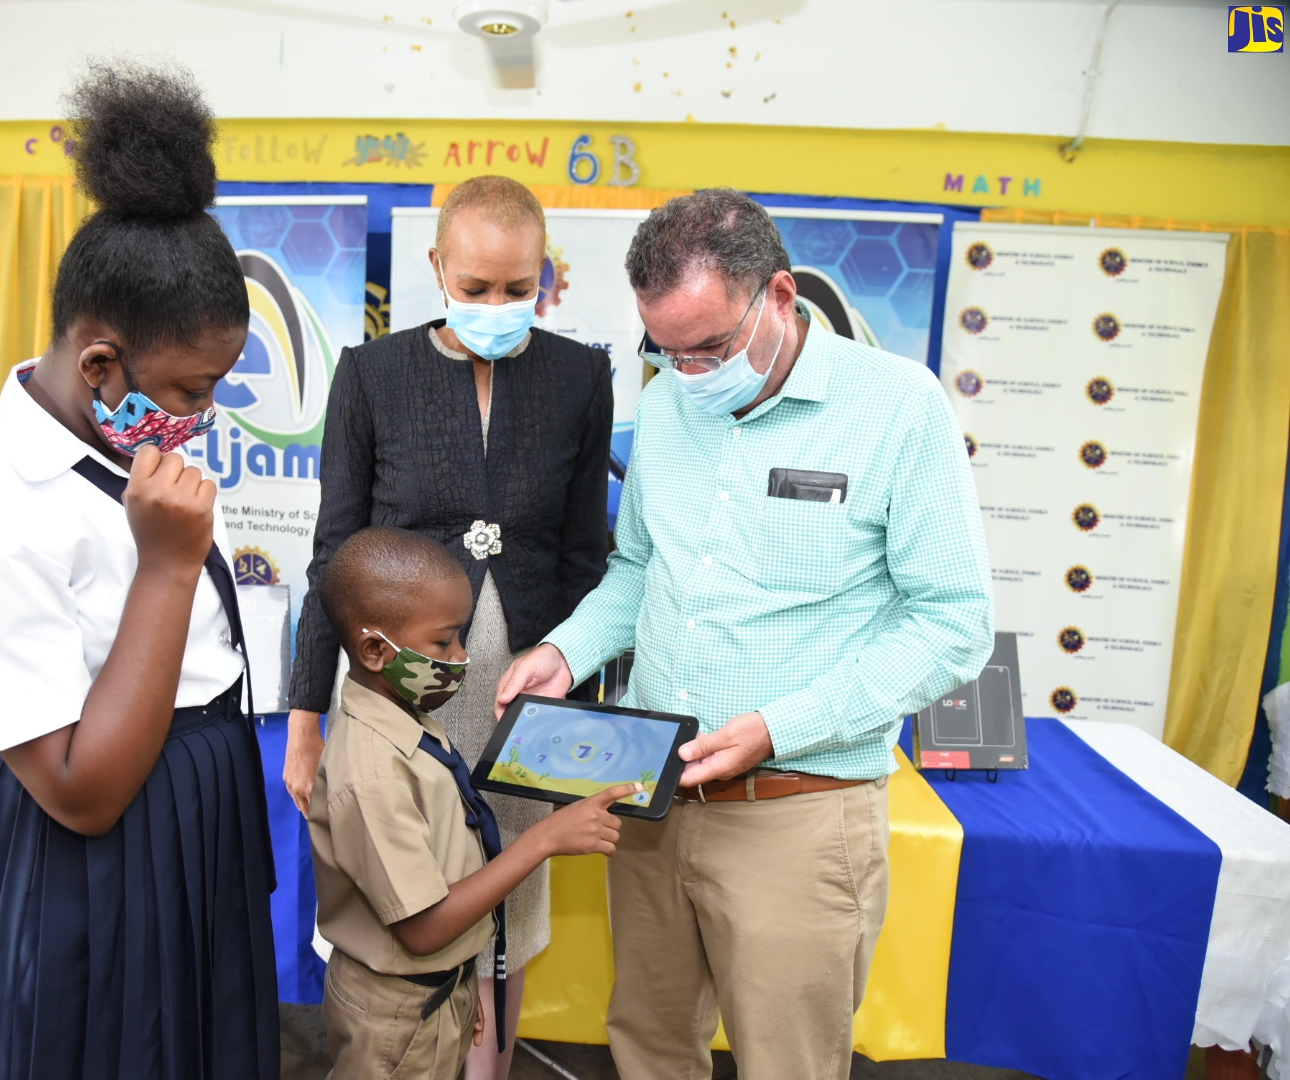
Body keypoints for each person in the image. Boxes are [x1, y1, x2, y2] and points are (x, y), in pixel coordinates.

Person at [496, 189, 994, 1080]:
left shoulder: (896, 409)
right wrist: (566, 650)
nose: (688, 374)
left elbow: (952, 624)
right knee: (647, 1044)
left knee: (788, 1064)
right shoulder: (672, 407)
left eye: (711, 348)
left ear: (779, 295)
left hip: (797, 814)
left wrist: (779, 726)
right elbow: (640, 570)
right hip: (650, 804)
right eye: (666, 351)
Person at [0, 62, 280, 1080]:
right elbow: (79, 791)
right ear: (101, 365)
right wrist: (166, 571)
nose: (202, 414)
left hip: (190, 812)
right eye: (193, 388)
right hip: (85, 858)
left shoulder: (124, 450)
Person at [283, 175, 614, 1075]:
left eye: (519, 288)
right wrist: (306, 718)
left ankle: (491, 1064)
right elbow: (333, 558)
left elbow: (589, 554)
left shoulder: (579, 375)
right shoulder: (372, 375)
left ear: (546, 275)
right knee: (415, 889)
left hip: (527, 687)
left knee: (509, 897)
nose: (498, 306)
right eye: (475, 288)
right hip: (406, 691)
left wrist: (587, 692)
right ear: (436, 267)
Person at [308, 525, 634, 1080]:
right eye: (443, 643)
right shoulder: (369, 774)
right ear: (373, 649)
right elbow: (424, 927)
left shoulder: (410, 723)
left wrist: (461, 987)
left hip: (435, 992)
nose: (461, 657)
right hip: (398, 1020)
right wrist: (543, 841)